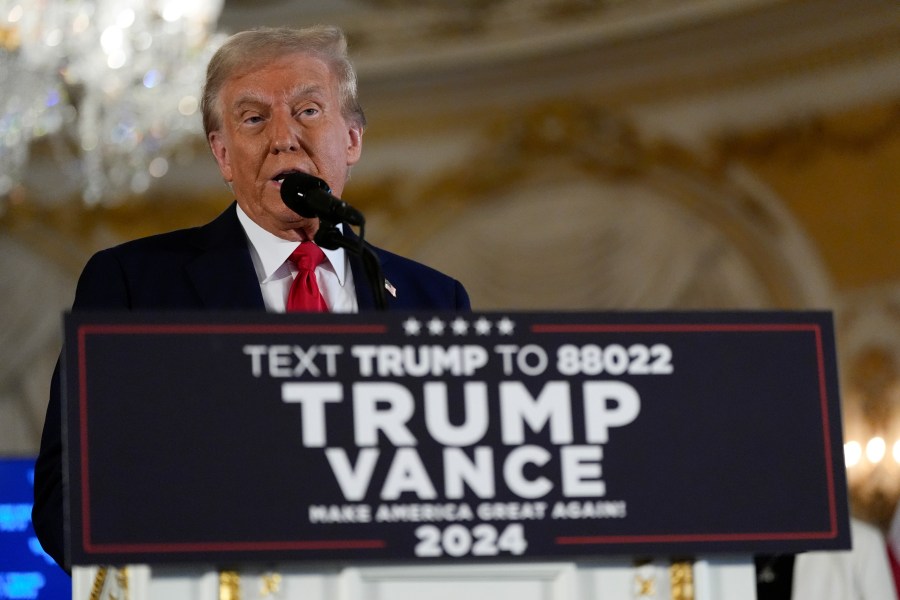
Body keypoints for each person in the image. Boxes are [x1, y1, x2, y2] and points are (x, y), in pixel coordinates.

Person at [31, 25, 470, 572]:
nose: (283, 137)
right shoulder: (134, 284)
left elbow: (459, 489)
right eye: (254, 118)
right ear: (223, 155)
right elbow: (66, 500)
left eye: (308, 110)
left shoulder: (433, 299)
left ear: (352, 138)